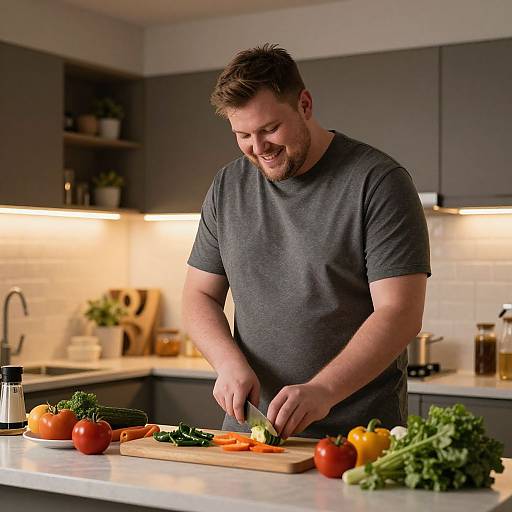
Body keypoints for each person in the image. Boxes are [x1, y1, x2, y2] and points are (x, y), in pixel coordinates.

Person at [182, 44, 430, 439]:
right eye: (243, 135)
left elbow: (399, 313)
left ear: (305, 104)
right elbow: (199, 296)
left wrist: (323, 391)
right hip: (249, 434)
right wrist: (228, 363)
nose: (258, 149)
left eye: (269, 129)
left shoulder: (378, 182)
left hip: (357, 440)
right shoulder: (227, 186)